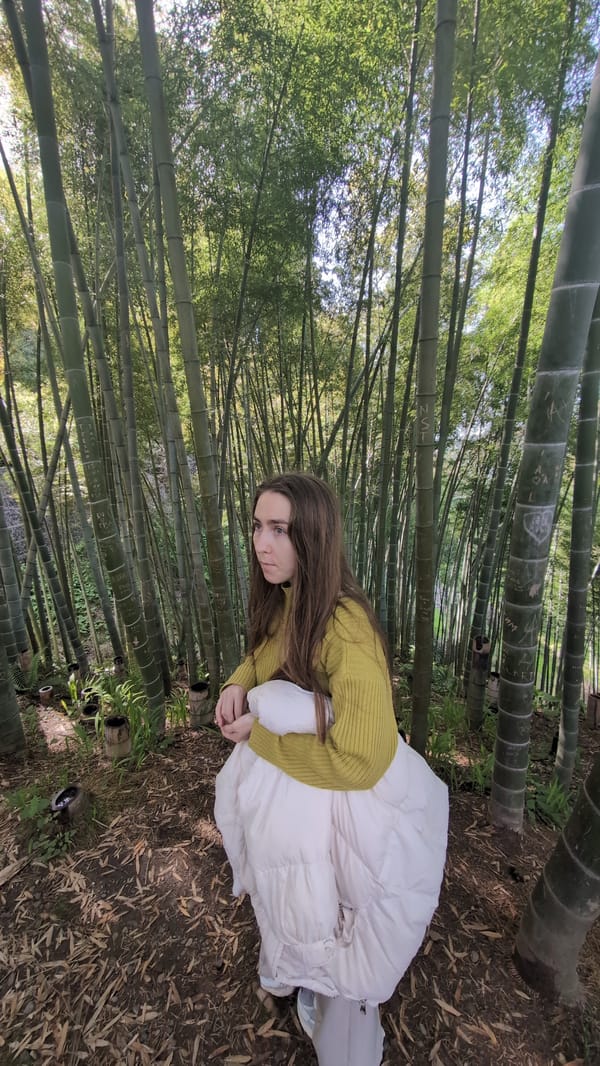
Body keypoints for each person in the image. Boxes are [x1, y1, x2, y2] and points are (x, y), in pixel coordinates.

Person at [214, 472, 448, 1066]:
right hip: (317, 786)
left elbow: (362, 759)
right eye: (257, 527)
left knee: (349, 917)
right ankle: (310, 985)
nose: (261, 544)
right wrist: (241, 679)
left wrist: (263, 738)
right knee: (305, 898)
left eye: (279, 530)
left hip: (357, 796)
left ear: (313, 538)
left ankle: (346, 1034)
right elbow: (272, 646)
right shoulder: (298, 599)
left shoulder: (348, 627)